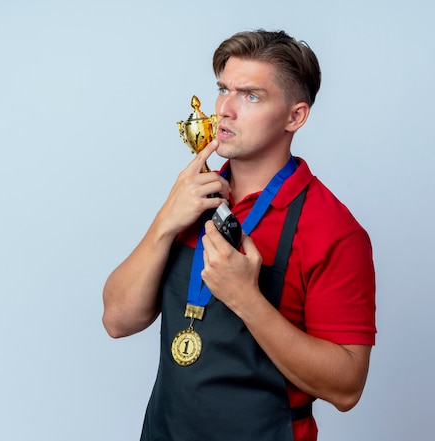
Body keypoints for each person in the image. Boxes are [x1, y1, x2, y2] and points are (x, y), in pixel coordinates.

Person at [102, 29, 376, 441]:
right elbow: (118, 320)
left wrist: (246, 299)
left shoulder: (334, 231)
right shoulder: (193, 199)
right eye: (223, 89)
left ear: (295, 116)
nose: (225, 110)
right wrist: (164, 223)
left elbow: (346, 387)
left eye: (251, 96)